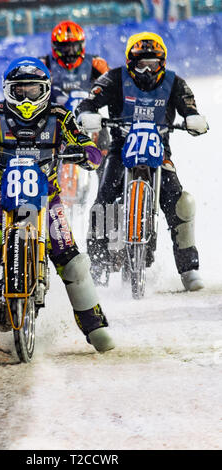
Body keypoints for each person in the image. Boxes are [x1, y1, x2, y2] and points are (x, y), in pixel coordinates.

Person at [0, 56, 115, 353]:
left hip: (47, 196)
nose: (26, 97)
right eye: (19, 90)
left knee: (70, 256)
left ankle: (94, 323)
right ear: (7, 90)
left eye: (33, 90)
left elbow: (86, 143)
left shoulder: (60, 116)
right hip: (3, 192)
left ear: (46, 90)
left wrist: (86, 153)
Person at [75, 31, 208, 291]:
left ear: (163, 63)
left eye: (153, 63)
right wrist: (88, 114)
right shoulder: (113, 78)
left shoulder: (175, 82)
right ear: (129, 62)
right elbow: (88, 102)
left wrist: (194, 119)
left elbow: (191, 110)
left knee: (180, 203)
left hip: (160, 153)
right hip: (120, 150)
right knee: (102, 200)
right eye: (141, 63)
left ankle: (189, 268)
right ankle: (98, 265)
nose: (147, 69)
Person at [39, 20, 110, 161]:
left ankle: (103, 171)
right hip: (55, 118)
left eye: (74, 47)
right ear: (55, 47)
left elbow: (111, 87)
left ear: (81, 45)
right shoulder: (44, 64)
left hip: (88, 116)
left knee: (105, 151)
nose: (70, 52)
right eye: (65, 47)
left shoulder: (96, 63)